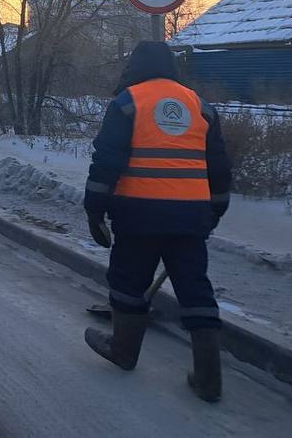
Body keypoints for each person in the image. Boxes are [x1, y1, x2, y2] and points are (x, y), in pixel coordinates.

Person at [81, 40, 232, 402]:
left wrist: (94, 209)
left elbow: (107, 161)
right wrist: (214, 211)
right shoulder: (200, 106)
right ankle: (210, 377)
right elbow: (220, 167)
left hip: (138, 214)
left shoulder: (128, 102)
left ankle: (123, 350)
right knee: (195, 288)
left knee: (129, 281)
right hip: (190, 216)